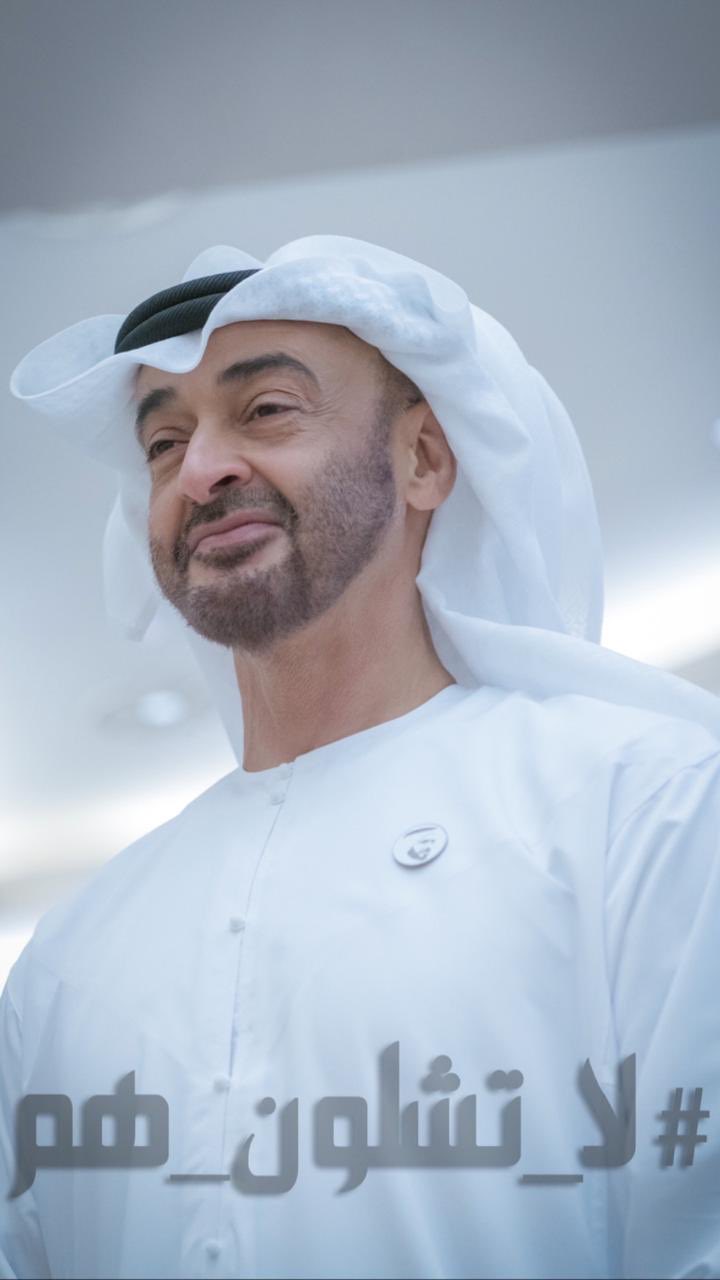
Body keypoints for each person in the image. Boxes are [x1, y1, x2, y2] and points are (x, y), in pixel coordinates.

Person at [1, 235, 719, 1280]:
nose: (199, 469)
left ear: (424, 458)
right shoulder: (69, 952)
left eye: (266, 409)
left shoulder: (644, 810)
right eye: (163, 441)